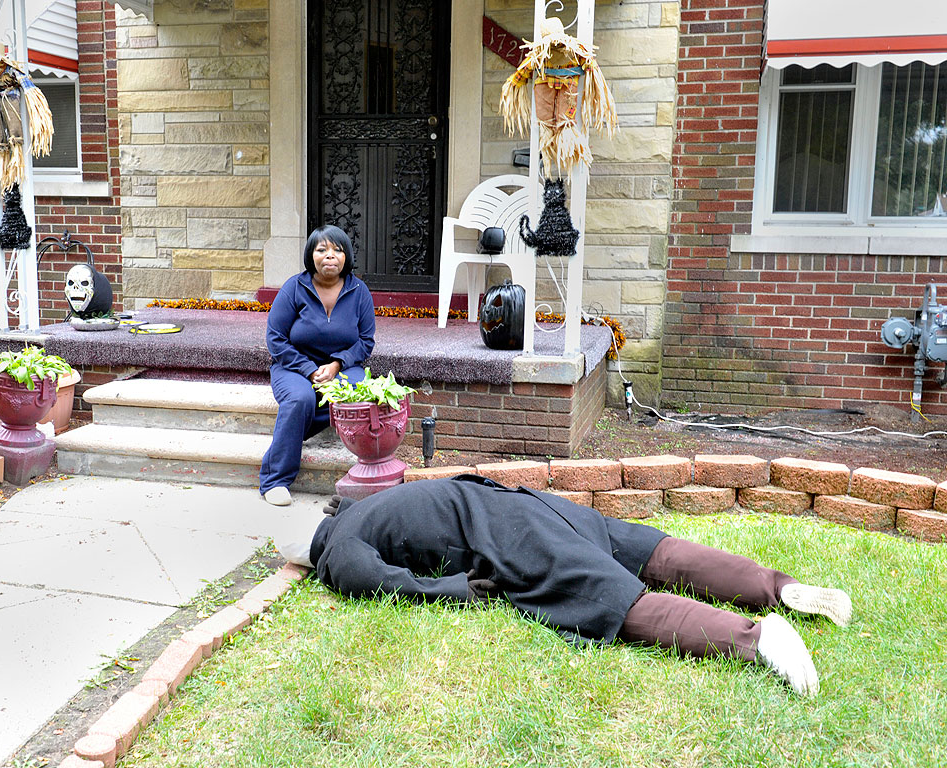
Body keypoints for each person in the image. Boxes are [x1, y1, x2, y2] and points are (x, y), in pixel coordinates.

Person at [272, 475, 854, 695]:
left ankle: (757, 640)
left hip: (505, 531)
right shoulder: (358, 511)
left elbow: (380, 581)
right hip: (523, 501)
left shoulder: (337, 550)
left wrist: (456, 590)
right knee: (641, 547)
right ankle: (780, 588)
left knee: (609, 598)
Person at [261, 225, 376, 506]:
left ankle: (296, 430)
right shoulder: (294, 288)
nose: (330, 256)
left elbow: (365, 341)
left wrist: (337, 364)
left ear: (346, 256)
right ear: (311, 255)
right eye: (322, 249)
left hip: (343, 367)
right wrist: (309, 369)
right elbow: (275, 339)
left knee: (354, 390)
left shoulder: (359, 291)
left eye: (337, 250)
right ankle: (275, 480)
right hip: (293, 367)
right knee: (300, 399)